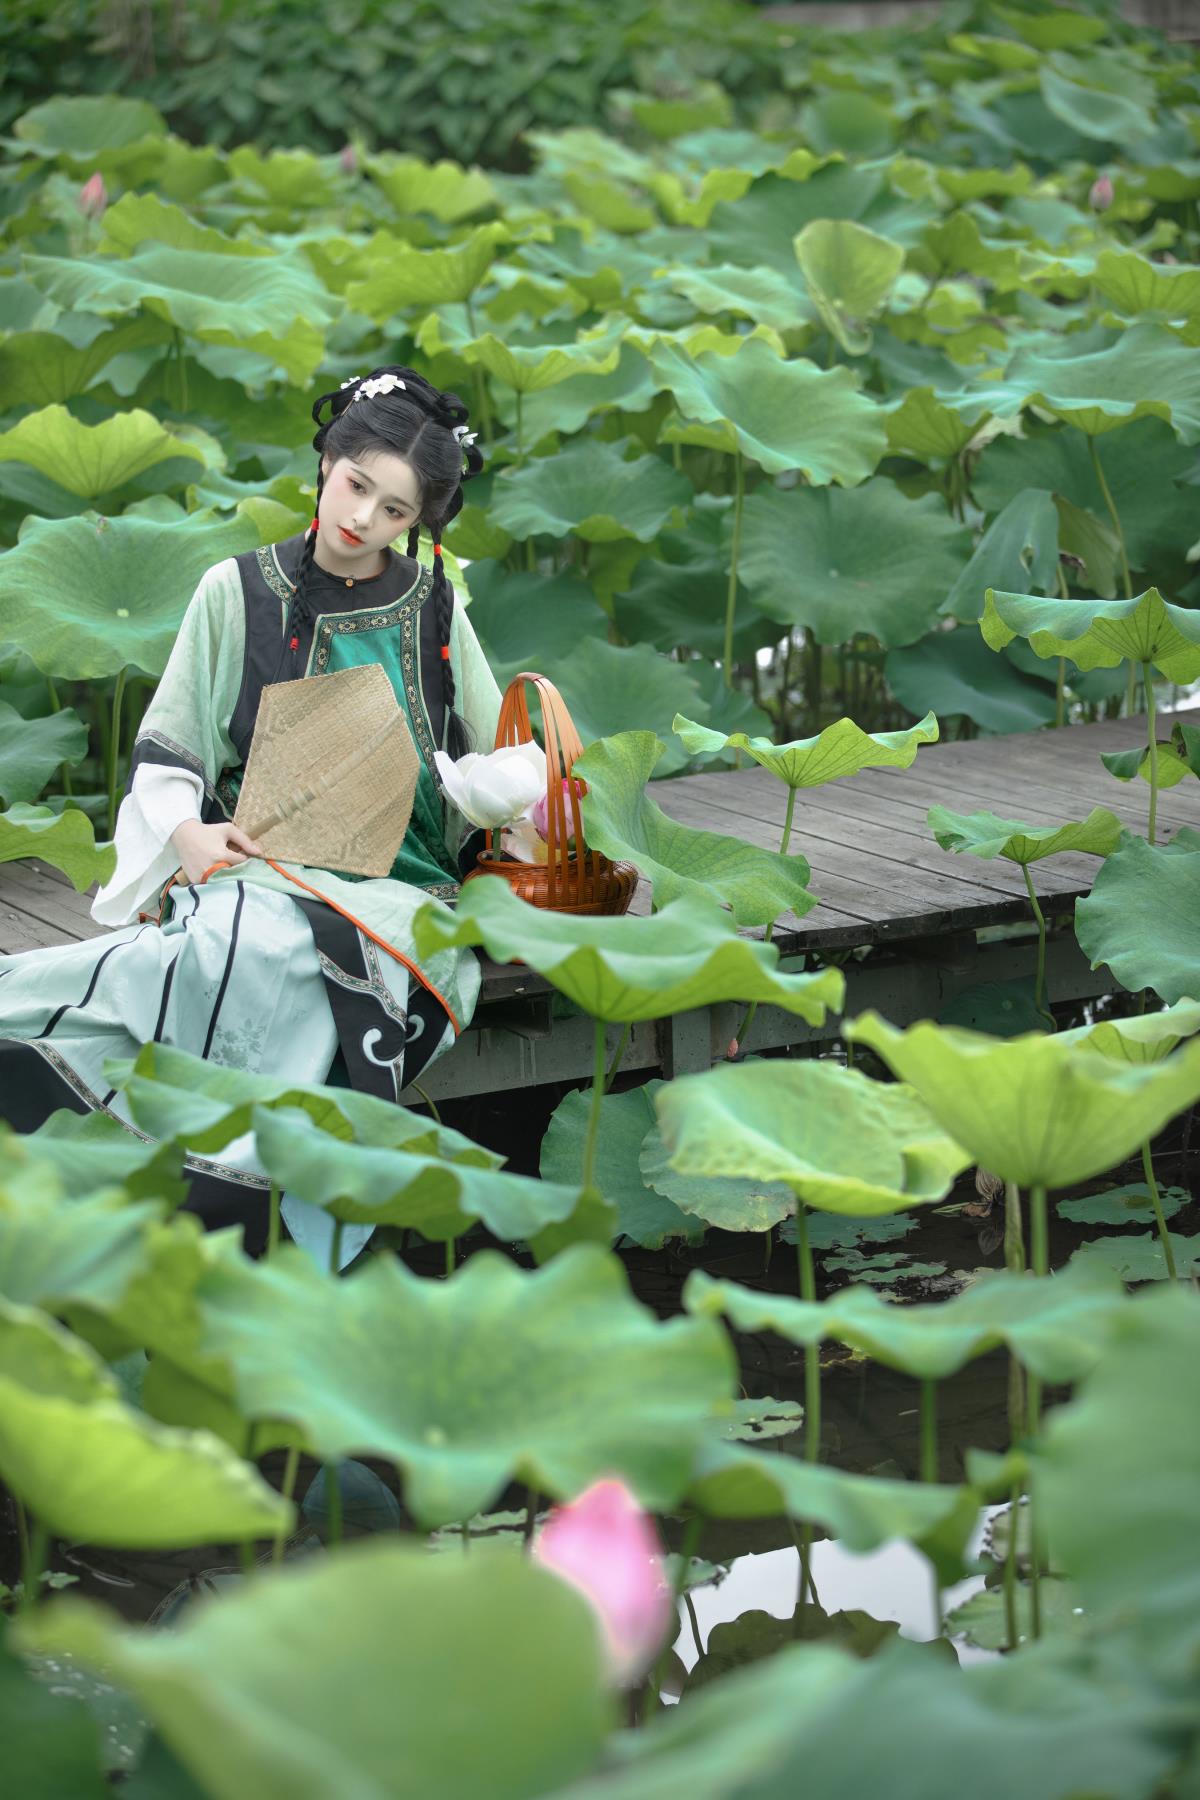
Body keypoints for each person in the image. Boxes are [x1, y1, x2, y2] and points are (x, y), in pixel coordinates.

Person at [0, 366, 503, 1257]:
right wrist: (187, 831)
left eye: (394, 510)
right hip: (259, 861)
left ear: (417, 522)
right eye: (356, 485)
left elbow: (493, 747)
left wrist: (514, 807)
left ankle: (232, 1201)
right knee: (211, 951)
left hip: (404, 883)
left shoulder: (433, 603)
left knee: (293, 958)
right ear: (328, 460)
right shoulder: (234, 590)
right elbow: (171, 747)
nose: (363, 518)